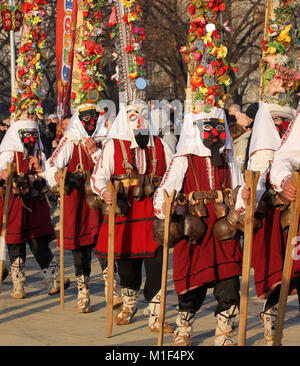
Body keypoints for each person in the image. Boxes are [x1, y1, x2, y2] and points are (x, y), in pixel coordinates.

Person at [153, 106, 244, 346]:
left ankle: (224, 331)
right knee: (192, 280)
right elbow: (165, 192)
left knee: (229, 278)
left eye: (218, 128)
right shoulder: (183, 160)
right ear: (196, 130)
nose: (215, 134)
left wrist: (242, 208)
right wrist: (165, 208)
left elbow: (241, 188)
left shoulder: (228, 159)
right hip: (196, 227)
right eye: (209, 128)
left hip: (223, 225)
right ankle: (184, 326)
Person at [90, 100, 174, 333]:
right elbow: (97, 177)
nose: (140, 120)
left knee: (157, 265)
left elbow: (174, 174)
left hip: (153, 214)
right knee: (126, 265)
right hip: (124, 214)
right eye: (134, 115)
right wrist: (105, 191)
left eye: (144, 115)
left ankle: (156, 313)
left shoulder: (161, 145)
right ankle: (129, 304)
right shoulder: (112, 147)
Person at [235, 101, 300, 345]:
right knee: (277, 273)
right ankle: (271, 315)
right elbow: (256, 180)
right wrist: (249, 195)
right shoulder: (263, 149)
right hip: (274, 219)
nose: (282, 125)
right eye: (276, 121)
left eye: (285, 121)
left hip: (296, 217)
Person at [42, 103, 110, 313]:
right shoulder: (69, 141)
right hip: (77, 200)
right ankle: (83, 291)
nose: (90, 123)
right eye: (86, 119)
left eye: (93, 119)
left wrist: (94, 151)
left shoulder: (105, 141)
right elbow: (52, 164)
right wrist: (55, 174)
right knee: (80, 248)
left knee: (104, 243)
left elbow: (107, 166)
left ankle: (111, 286)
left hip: (98, 199)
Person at [0, 115, 69, 299]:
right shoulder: (7, 152)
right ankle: (18, 284)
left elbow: (47, 175)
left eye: (32, 133)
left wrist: (39, 169)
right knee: (16, 242)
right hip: (14, 202)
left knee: (39, 241)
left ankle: (53, 280)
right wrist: (4, 174)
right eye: (26, 134)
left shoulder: (39, 153)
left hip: (36, 202)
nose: (29, 138)